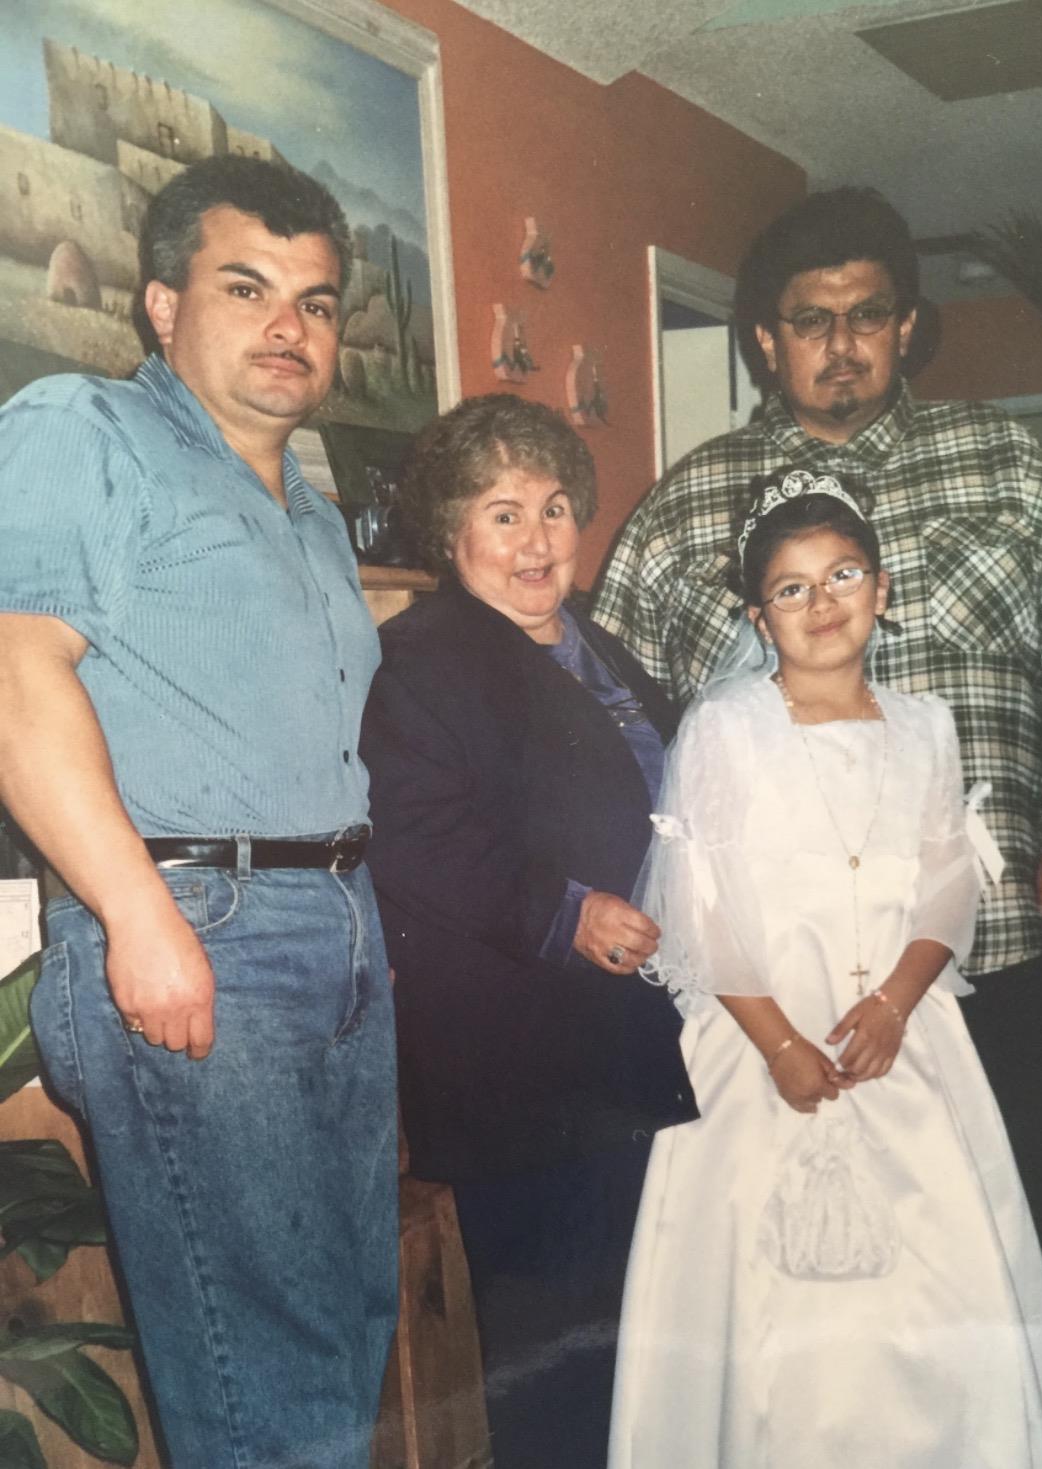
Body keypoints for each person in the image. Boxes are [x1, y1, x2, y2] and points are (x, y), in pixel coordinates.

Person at [594, 186, 1042, 1214]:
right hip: (775, 969)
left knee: (1003, 1216)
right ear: (764, 341)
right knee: (792, 1241)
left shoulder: (1009, 466)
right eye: (811, 320)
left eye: (868, 315)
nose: (841, 344)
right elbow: (618, 698)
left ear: (908, 328)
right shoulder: (686, 504)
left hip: (986, 928)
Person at [0, 156, 397, 1469]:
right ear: (163, 307)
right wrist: (135, 915)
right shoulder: (81, 428)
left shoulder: (314, 514)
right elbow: (15, 674)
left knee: (342, 1334)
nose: (293, 326)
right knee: (265, 1381)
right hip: (197, 926)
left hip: (337, 926)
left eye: (319, 302)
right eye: (250, 288)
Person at [607, 469, 1042, 1468]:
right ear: (757, 613)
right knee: (772, 1309)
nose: (822, 604)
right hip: (762, 1035)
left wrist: (896, 1001)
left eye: (842, 575)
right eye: (791, 588)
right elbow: (699, 907)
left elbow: (948, 883)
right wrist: (782, 1043)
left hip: (897, 1031)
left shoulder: (926, 724)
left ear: (880, 589)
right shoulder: (727, 725)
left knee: (934, 1288)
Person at [360, 393, 696, 1469]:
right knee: (556, 1345)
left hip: (625, 1039)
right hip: (525, 1056)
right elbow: (415, 834)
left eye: (554, 508)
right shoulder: (422, 655)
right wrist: (567, 913)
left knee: (636, 1325)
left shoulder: (594, 633)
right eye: (502, 513)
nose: (536, 540)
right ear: (451, 528)